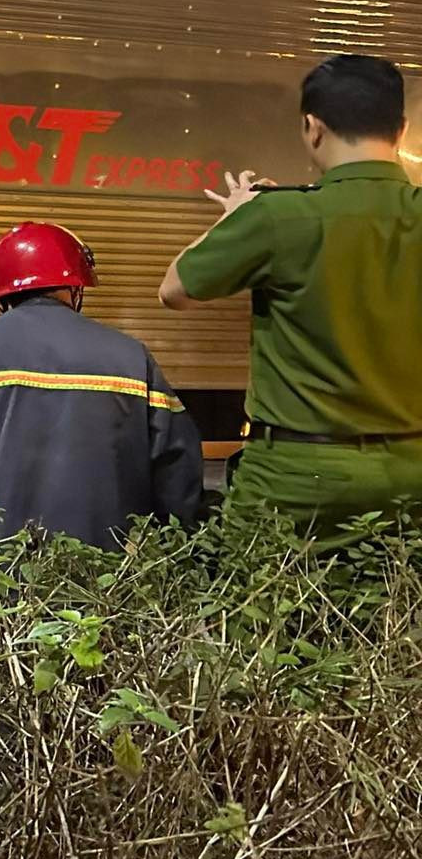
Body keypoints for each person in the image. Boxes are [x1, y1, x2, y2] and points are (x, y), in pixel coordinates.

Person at [160, 54, 422, 530]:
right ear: (401, 129)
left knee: (268, 578)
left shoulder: (279, 216)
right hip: (413, 472)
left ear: (312, 127)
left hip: (297, 480)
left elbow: (175, 289)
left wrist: (237, 215)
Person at [0, 223, 206, 550]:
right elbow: (177, 476)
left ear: (1, 293)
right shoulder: (132, 357)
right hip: (106, 573)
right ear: (74, 286)